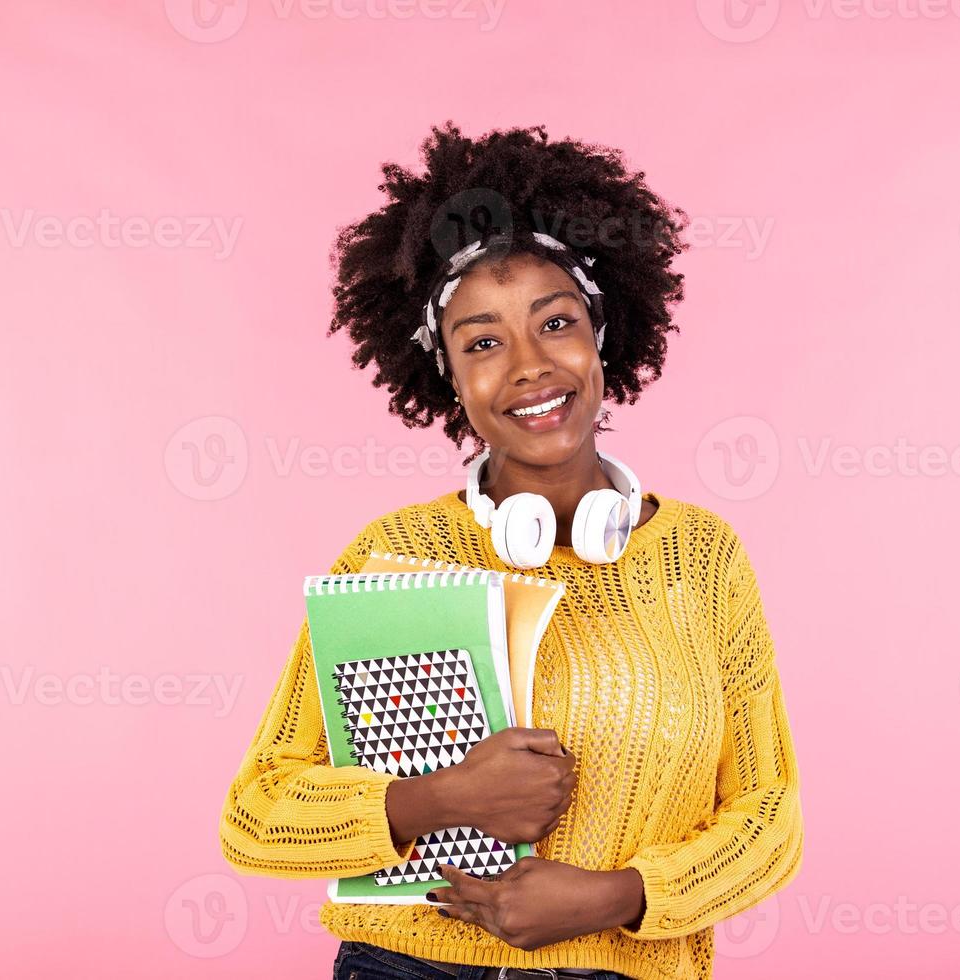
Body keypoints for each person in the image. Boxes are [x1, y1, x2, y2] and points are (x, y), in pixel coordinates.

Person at [217, 122, 804, 980]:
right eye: (484, 342)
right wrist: (442, 798)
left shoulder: (701, 559)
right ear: (449, 377)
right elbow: (259, 812)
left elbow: (768, 812)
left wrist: (618, 895)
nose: (529, 366)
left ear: (601, 339)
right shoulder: (396, 555)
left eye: (555, 323)